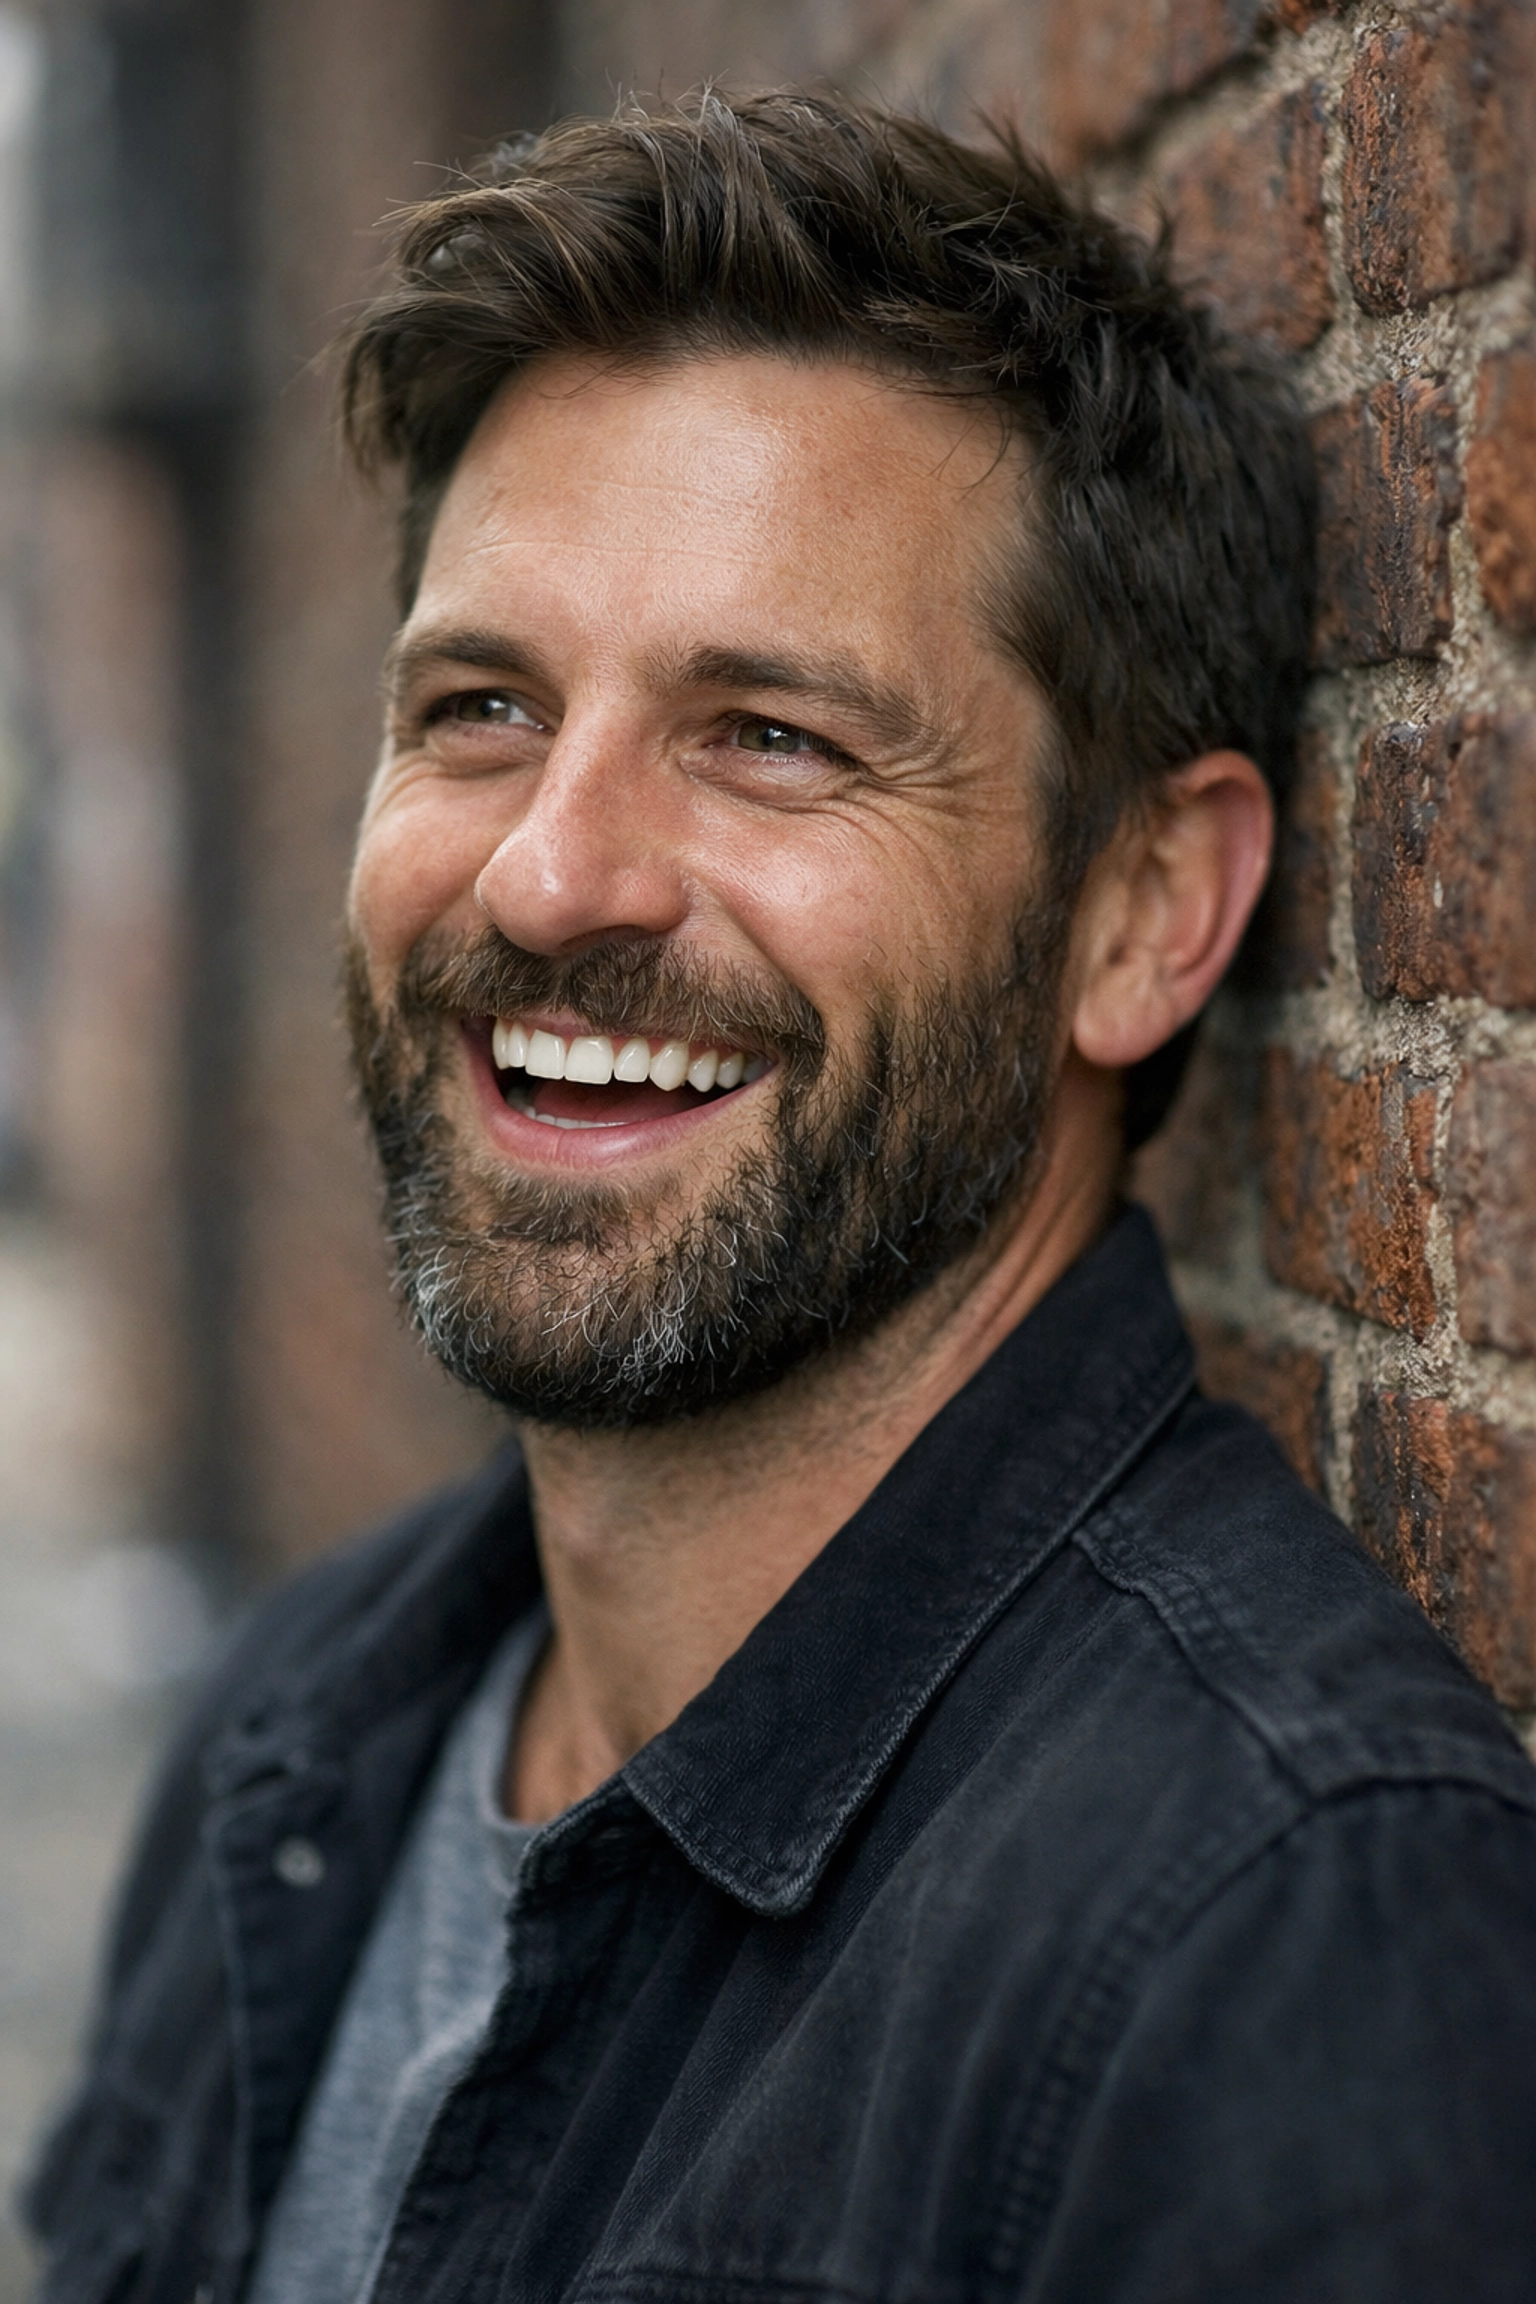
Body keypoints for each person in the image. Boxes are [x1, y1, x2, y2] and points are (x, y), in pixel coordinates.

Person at [27, 88, 1536, 2304]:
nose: (551, 870)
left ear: (1142, 909)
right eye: (477, 706)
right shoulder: (303, 1732)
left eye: (771, 739)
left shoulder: (1276, 1948)